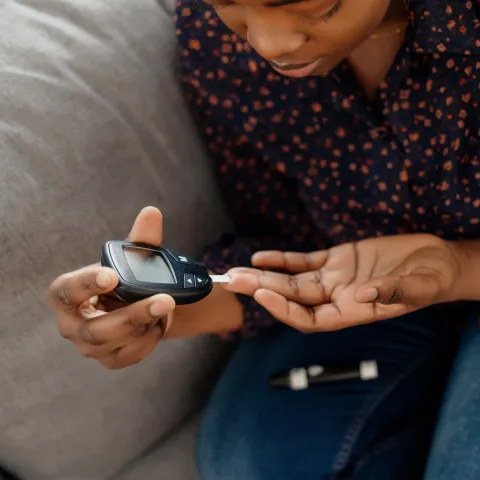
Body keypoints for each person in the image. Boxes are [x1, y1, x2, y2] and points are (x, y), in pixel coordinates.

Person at [48, 0, 480, 478]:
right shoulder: (213, 39)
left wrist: (458, 269)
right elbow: (287, 245)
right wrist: (156, 314)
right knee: (253, 465)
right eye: (229, 3)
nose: (266, 44)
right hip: (357, 289)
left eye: (316, 4)